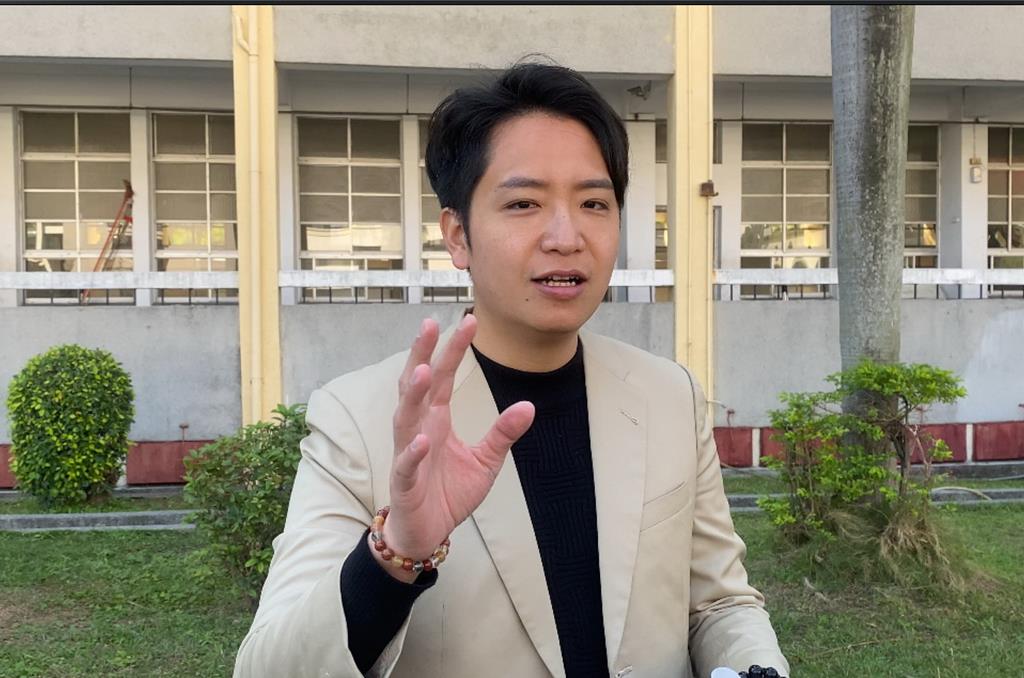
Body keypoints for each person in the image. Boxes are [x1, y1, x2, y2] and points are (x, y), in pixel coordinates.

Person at [234, 61, 789, 678]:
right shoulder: (361, 419)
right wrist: (396, 555)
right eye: (524, 203)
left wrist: (755, 668)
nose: (566, 236)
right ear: (457, 235)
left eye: (594, 202)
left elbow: (718, 603)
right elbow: (267, 669)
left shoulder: (669, 395)